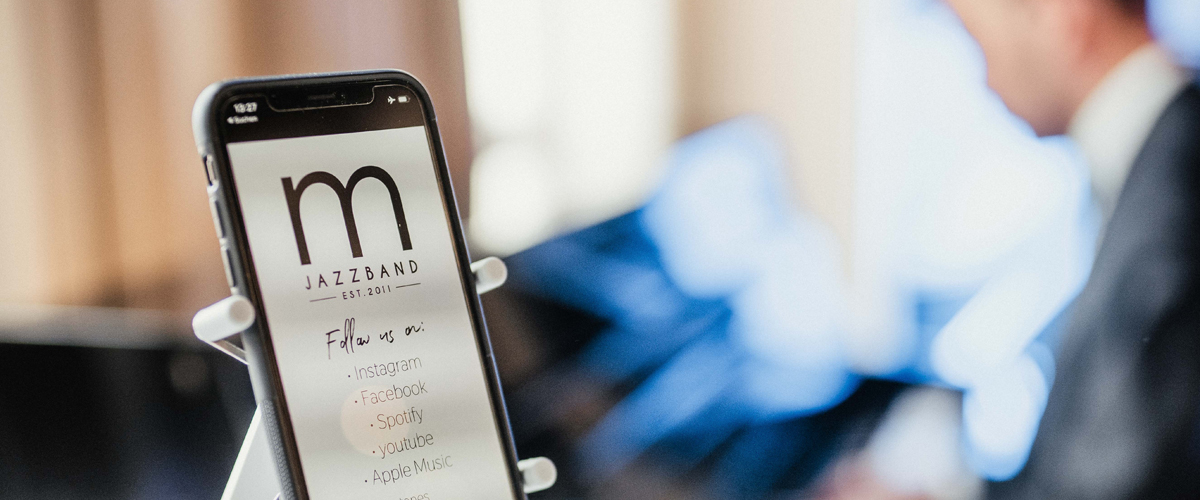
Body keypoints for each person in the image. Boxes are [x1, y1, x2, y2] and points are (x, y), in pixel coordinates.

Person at [942, 0, 1200, 498]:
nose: (985, 80)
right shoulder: (1154, 157)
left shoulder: (1179, 185)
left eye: (978, 43)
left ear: (1065, 16)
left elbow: (1113, 479)